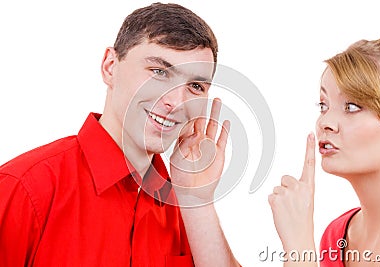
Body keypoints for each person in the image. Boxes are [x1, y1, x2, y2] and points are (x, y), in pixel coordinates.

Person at [0, 3, 240, 267]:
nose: (175, 101)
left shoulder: (187, 210)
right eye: (159, 72)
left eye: (195, 86)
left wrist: (198, 200)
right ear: (110, 66)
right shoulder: (22, 189)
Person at [269, 38, 380, 267]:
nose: (325, 122)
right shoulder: (336, 237)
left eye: (351, 107)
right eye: (323, 105)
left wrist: (299, 250)